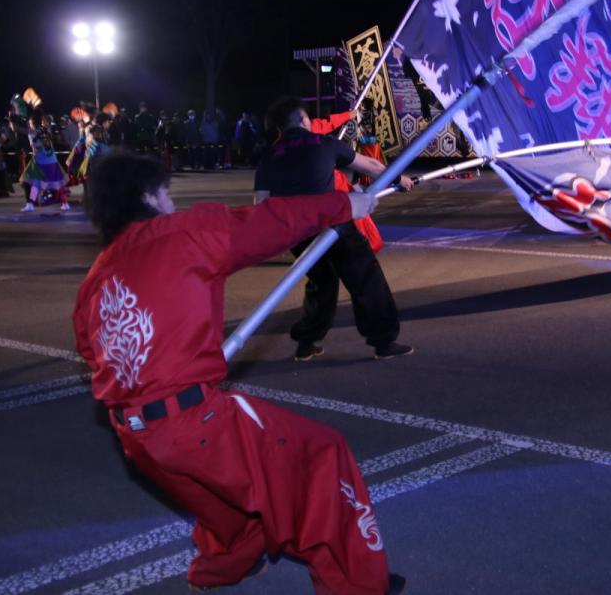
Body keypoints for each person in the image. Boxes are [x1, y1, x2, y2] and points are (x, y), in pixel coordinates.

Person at [73, 150, 405, 595]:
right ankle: (357, 586)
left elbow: (91, 352)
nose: (172, 204)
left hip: (137, 438)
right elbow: (267, 222)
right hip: (192, 423)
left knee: (224, 501)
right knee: (322, 456)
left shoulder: (97, 277)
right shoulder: (179, 235)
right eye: (167, 194)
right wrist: (346, 206)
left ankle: (226, 566)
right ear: (149, 196)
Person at [254, 97, 414, 362]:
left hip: (297, 232)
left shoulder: (269, 156)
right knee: (365, 278)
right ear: (304, 120)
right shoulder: (324, 143)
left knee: (322, 283)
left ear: (279, 129)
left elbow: (261, 203)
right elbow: (371, 166)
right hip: (334, 226)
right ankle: (383, 341)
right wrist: (401, 179)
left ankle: (306, 343)